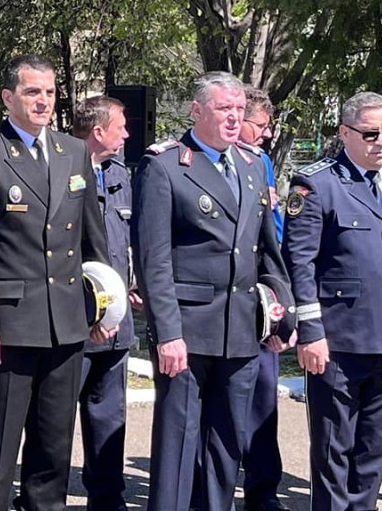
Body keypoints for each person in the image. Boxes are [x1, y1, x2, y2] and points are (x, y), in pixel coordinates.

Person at [0, 54, 112, 511]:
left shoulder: (73, 152)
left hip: (66, 322)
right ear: (9, 98)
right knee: (0, 448)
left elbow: (93, 238)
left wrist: (103, 306)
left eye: (49, 92)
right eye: (32, 92)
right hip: (11, 325)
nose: (43, 101)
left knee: (54, 448)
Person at [131, 71, 294, 511]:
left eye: (239, 109)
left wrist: (283, 313)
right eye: (224, 109)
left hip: (240, 330)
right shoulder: (165, 166)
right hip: (188, 329)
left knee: (225, 447)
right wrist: (167, 333)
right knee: (179, 446)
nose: (234, 118)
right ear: (197, 110)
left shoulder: (251, 165)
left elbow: (267, 250)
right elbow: (153, 260)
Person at [282, 92, 382, 511]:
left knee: (374, 450)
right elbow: (300, 263)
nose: (381, 143)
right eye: (371, 134)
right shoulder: (317, 184)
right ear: (345, 134)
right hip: (337, 343)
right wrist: (310, 332)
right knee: (334, 452)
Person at [71, 95, 137, 511]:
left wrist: (132, 285)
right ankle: (42, 495)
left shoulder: (119, 173)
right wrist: (92, 312)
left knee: (110, 417)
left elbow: (127, 239)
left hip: (117, 323)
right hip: (76, 322)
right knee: (54, 420)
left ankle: (107, 499)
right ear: (98, 131)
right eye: (120, 127)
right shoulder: (62, 169)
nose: (127, 134)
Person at [238, 87, 288, 511]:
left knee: (263, 396)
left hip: (260, 295)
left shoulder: (261, 162)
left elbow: (273, 233)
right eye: (261, 125)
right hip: (217, 299)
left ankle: (262, 490)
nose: (267, 134)